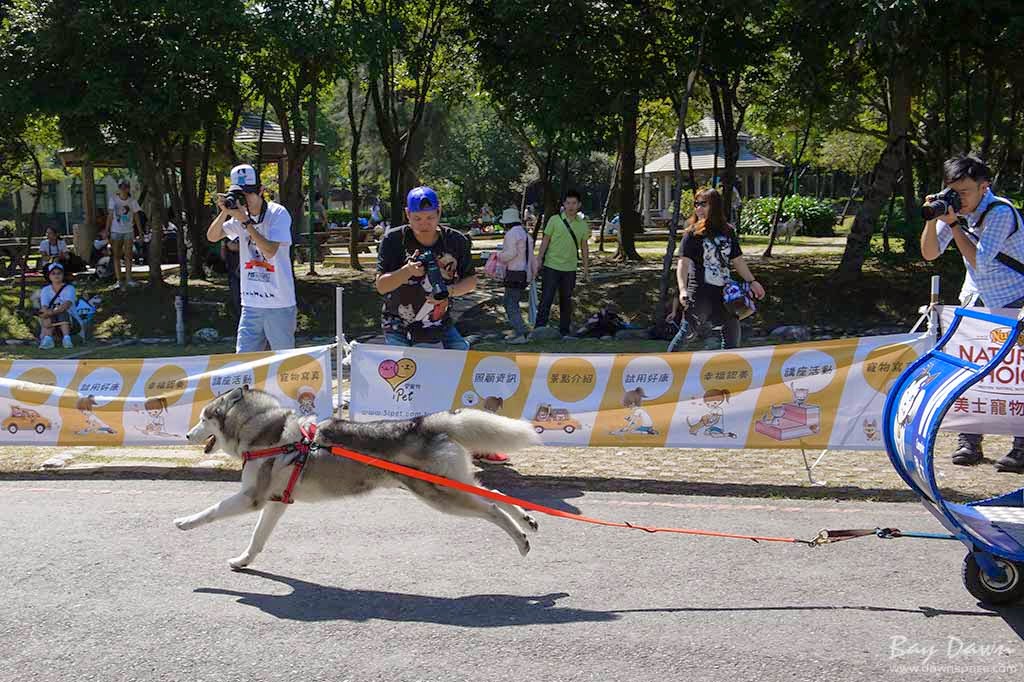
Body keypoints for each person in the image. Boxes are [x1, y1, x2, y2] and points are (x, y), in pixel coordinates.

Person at [921, 154, 1024, 473]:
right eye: (952, 190)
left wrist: (952, 223)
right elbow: (929, 254)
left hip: (1015, 299)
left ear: (984, 186)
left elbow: (981, 260)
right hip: (976, 300)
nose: (958, 198)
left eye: (964, 192)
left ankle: (1021, 447)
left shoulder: (1000, 212)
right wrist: (932, 218)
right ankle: (969, 441)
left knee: (1017, 376)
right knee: (971, 368)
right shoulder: (951, 208)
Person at [206, 164, 296, 353]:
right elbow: (212, 236)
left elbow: (270, 251)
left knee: (283, 362)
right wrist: (225, 211)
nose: (244, 199)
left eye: (248, 193)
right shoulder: (239, 216)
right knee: (244, 363)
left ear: (261, 191)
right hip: (251, 304)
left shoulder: (277, 213)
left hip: (279, 303)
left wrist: (245, 223)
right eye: (239, 195)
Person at [376, 185, 476, 350]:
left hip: (440, 323)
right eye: (417, 218)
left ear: (439, 212)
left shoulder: (456, 240)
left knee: (461, 362)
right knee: (405, 372)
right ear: (407, 214)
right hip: (397, 324)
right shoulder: (393, 239)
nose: (424, 224)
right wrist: (407, 271)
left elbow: (471, 281)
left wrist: (448, 292)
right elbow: (381, 286)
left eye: (430, 217)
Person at [671, 187, 765, 350]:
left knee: (732, 334)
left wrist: (752, 281)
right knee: (687, 334)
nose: (698, 208)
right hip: (700, 293)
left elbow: (738, 260)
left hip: (725, 294)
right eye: (696, 204)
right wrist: (682, 289)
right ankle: (667, 369)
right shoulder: (692, 234)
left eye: (703, 204)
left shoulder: (728, 232)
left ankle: (726, 371)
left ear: (714, 206)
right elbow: (683, 263)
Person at [533, 190, 590, 339]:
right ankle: (539, 329)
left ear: (579, 205)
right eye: (568, 203)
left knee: (566, 300)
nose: (571, 206)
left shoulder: (583, 224)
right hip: (551, 265)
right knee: (546, 298)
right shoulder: (554, 220)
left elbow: (584, 247)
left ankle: (564, 331)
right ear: (563, 204)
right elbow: (545, 240)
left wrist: (585, 268)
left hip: (570, 268)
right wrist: (539, 259)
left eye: (574, 203)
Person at [496, 207, 532, 344]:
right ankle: (519, 331)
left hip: (514, 273)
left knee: (510, 303)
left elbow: (510, 254)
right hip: (524, 273)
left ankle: (521, 332)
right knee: (511, 302)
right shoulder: (525, 233)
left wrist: (498, 256)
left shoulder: (511, 234)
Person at [107, 178, 141, 288]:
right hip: (115, 231)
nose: (123, 189)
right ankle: (119, 280)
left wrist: (140, 231)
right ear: (119, 188)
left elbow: (136, 216)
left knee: (128, 255)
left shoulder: (132, 201)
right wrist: (106, 229)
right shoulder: (113, 199)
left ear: (128, 188)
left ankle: (129, 279)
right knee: (116, 256)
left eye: (125, 187)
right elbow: (110, 215)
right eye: (121, 187)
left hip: (129, 231)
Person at [36, 262, 76, 349]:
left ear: (63, 275)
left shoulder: (70, 288)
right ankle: (48, 339)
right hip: (52, 317)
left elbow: (66, 305)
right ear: (49, 276)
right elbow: (44, 306)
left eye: (59, 273)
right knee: (47, 315)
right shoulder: (45, 290)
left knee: (61, 313)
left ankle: (67, 338)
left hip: (70, 317)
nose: (56, 276)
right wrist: (44, 316)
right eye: (53, 273)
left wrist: (50, 313)